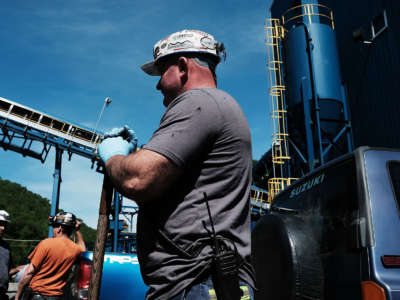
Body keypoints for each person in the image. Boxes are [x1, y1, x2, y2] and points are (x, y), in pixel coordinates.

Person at [98, 29, 255, 300]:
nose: (158, 84)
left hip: (197, 281)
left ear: (182, 66)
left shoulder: (199, 102)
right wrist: (138, 154)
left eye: (161, 72)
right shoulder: (219, 106)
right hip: (211, 280)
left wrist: (114, 157)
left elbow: (138, 179)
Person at [15, 212, 86, 300]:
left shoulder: (46, 243)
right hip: (57, 297)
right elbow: (83, 249)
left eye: (54, 226)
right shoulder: (75, 249)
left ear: (59, 228)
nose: (53, 229)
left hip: (37, 295)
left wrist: (18, 295)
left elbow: (29, 272)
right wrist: (78, 230)